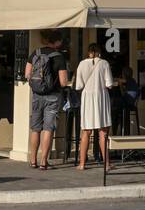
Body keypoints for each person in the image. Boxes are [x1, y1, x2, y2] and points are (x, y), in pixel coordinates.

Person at [23, 30, 70, 170]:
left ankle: (33, 160)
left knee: (35, 128)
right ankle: (43, 161)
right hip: (53, 96)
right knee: (48, 128)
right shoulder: (59, 57)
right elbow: (63, 82)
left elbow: (27, 74)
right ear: (56, 42)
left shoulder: (35, 53)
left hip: (37, 95)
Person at [73, 43, 114, 170]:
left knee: (86, 131)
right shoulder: (104, 63)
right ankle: (107, 164)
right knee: (103, 132)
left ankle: (82, 164)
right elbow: (110, 84)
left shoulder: (81, 64)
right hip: (101, 97)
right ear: (99, 52)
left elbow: (79, 86)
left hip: (87, 98)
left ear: (88, 52)